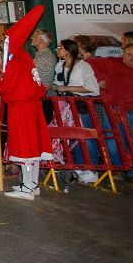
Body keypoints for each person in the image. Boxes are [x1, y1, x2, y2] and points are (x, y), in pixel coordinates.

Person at [0, 7, 52, 200]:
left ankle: (28, 187)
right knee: (33, 149)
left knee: (26, 148)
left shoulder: (16, 61)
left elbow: (7, 86)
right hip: (31, 108)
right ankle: (31, 184)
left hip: (21, 109)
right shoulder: (25, 59)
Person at [51, 38, 101, 183]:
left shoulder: (83, 66)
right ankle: (78, 166)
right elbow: (58, 83)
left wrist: (67, 89)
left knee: (84, 135)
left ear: (67, 50)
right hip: (67, 107)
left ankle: (90, 168)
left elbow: (92, 88)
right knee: (72, 136)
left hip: (83, 106)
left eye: (60, 47)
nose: (57, 50)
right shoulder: (60, 66)